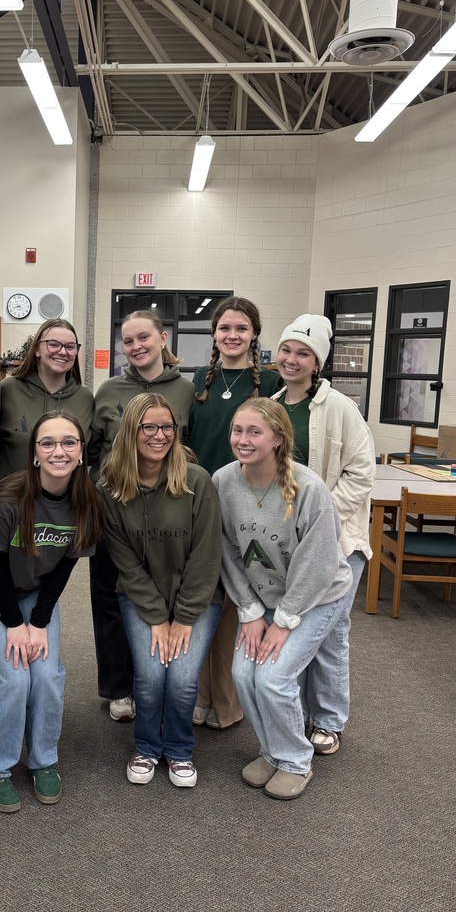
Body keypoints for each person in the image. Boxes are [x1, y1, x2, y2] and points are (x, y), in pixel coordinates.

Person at [0, 411, 104, 813]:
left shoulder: (87, 502)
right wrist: (13, 624)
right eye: (48, 443)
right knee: (12, 678)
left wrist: (38, 622)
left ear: (81, 452)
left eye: (69, 442)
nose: (59, 451)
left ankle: (43, 760)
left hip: (36, 590)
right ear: (35, 453)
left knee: (48, 674)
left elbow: (65, 566)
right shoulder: (9, 497)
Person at [212, 398, 352, 800]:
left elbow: (319, 563)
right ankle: (272, 752)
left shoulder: (309, 488)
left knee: (273, 678)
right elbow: (226, 550)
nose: (243, 439)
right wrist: (252, 612)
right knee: (243, 674)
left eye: (254, 432)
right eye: (238, 430)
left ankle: (294, 760)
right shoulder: (223, 482)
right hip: (262, 598)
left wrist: (284, 620)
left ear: (277, 439)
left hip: (317, 597)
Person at [99, 394, 222, 788]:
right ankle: (148, 747)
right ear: (131, 432)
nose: (159, 435)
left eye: (167, 427)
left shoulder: (196, 480)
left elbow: (206, 557)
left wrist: (183, 618)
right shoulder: (111, 486)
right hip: (141, 596)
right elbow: (125, 563)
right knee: (152, 676)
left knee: (183, 679)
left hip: (196, 597)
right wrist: (156, 617)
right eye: (148, 427)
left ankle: (179, 748)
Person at [273, 313, 375, 755]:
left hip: (338, 540)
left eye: (303, 353)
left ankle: (329, 720)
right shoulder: (274, 402)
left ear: (318, 362)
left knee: (331, 632)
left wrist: (321, 520)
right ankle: (295, 711)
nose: (292, 360)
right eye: (287, 350)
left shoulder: (340, 408)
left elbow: (361, 473)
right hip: (288, 542)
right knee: (297, 629)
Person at [88, 309, 195, 722]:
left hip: (167, 510)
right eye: (127, 341)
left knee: (157, 592)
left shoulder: (184, 391)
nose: (136, 346)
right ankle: (118, 687)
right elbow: (95, 449)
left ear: (162, 338)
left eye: (143, 337)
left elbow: (190, 449)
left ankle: (157, 678)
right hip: (113, 507)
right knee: (110, 596)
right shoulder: (109, 389)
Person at [189, 296, 278, 732]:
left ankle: (226, 701)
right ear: (214, 333)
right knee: (204, 601)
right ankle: (200, 695)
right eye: (225, 328)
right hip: (201, 504)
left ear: (254, 334)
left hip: (248, 506)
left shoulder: (271, 383)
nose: (232, 336)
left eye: (241, 328)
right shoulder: (199, 381)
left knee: (235, 607)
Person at [0, 317, 94, 481]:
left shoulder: (85, 398)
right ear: (37, 350)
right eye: (53, 344)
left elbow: (91, 451)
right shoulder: (8, 390)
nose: (62, 352)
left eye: (70, 347)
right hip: (13, 499)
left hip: (65, 502)